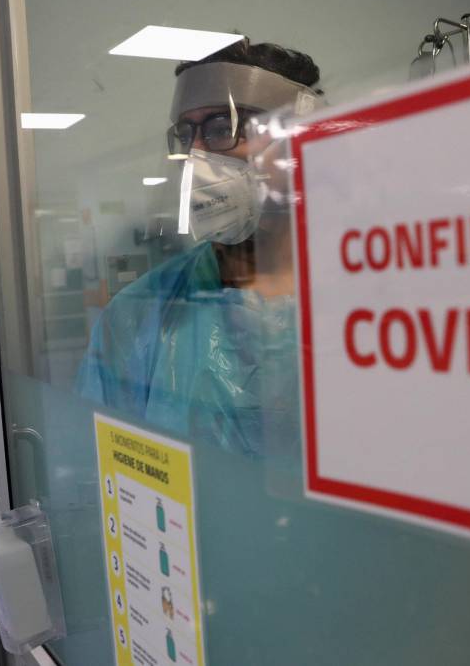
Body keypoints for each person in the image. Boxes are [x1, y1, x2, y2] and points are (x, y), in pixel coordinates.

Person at [75, 39, 322, 457]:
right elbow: (102, 465)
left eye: (222, 128)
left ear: (294, 143)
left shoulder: (361, 299)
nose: (196, 157)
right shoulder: (142, 314)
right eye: (186, 135)